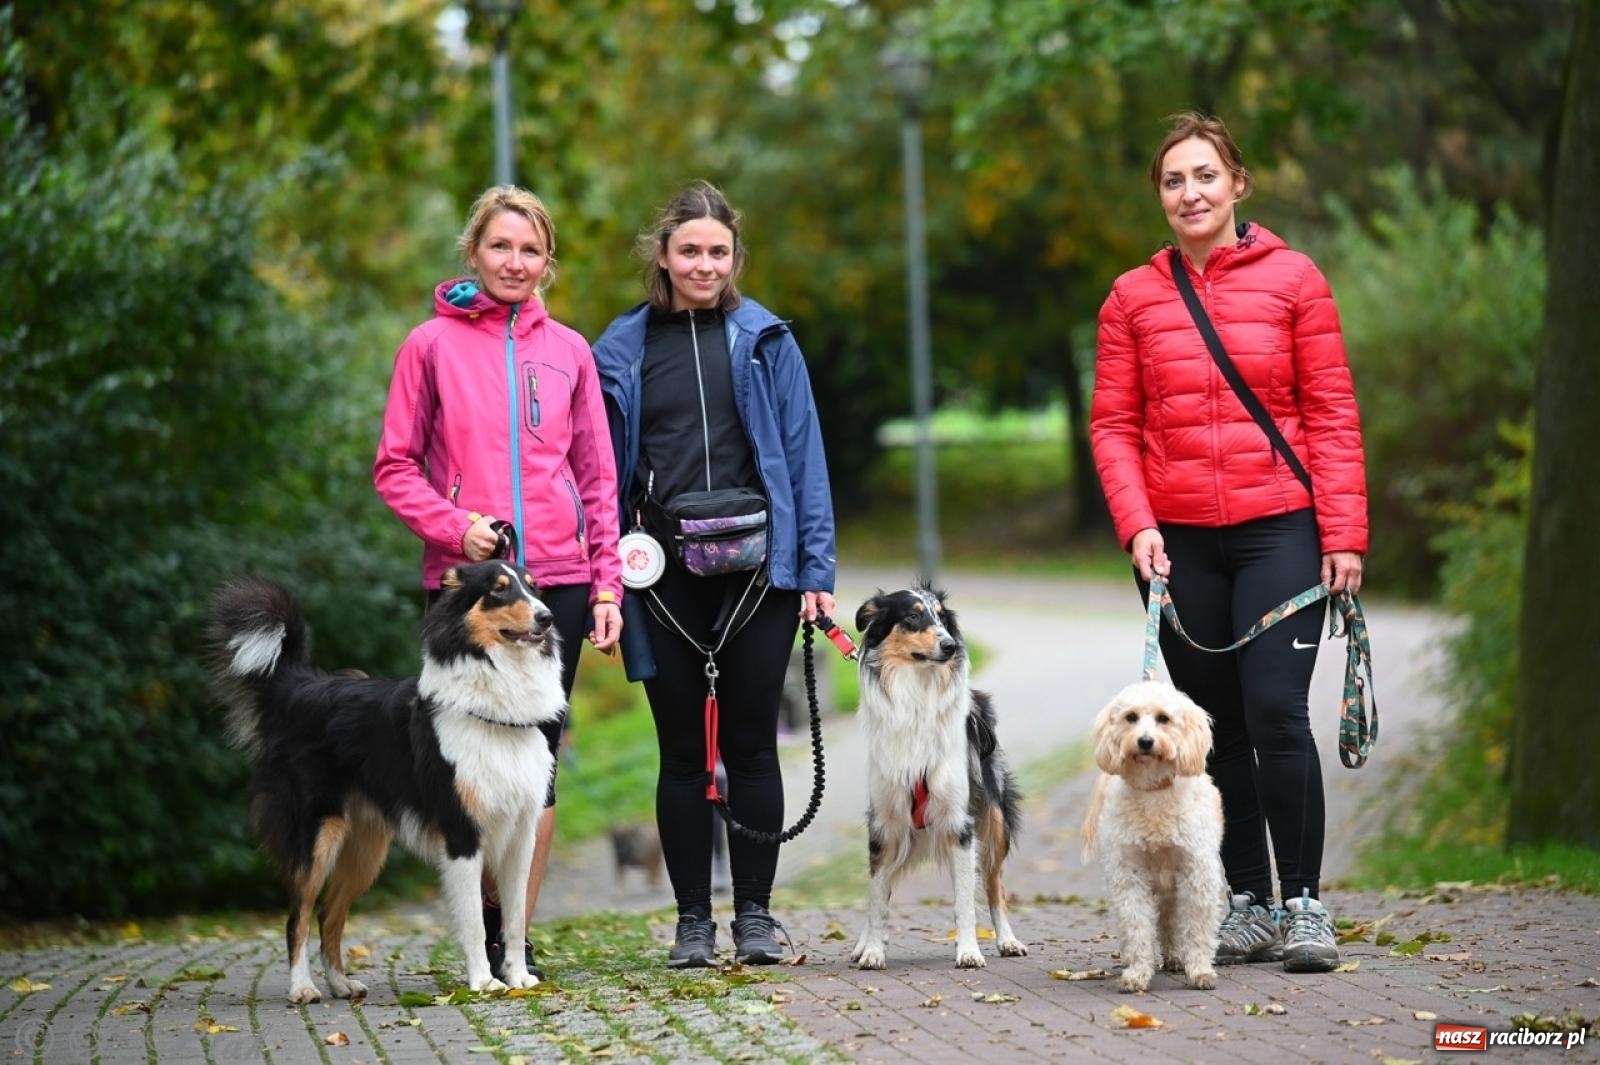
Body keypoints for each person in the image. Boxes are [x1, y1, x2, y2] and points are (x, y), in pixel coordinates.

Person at [1089, 112, 1367, 974]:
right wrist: (1137, 522)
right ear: (1160, 196)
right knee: (1218, 730)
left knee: (1280, 713)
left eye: (1204, 175)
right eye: (1174, 180)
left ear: (1237, 183)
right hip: (1180, 545)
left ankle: (1307, 904)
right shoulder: (1132, 297)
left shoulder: (1295, 279)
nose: (1190, 193)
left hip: (1281, 528)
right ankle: (1244, 899)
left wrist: (1344, 533)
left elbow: (1330, 412)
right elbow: (1113, 425)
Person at [374, 185, 624, 979]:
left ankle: (510, 933)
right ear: (473, 253)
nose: (515, 262)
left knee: (536, 762)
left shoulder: (571, 351)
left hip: (558, 586)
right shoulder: (429, 345)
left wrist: (609, 583)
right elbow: (394, 467)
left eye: (530, 249)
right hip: (467, 592)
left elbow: (598, 475)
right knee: (467, 767)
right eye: (500, 247)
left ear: (548, 262)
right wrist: (456, 527)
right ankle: (484, 928)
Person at [593, 181, 837, 968]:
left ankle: (757, 917)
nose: (704, 264)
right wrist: (606, 572)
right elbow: (600, 473)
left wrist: (816, 568)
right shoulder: (621, 350)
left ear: (736, 258)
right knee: (682, 754)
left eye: (718, 251)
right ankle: (693, 919)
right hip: (660, 577)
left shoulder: (768, 340)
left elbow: (805, 461)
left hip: (759, 573)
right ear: (662, 255)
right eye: (689, 250)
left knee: (752, 745)